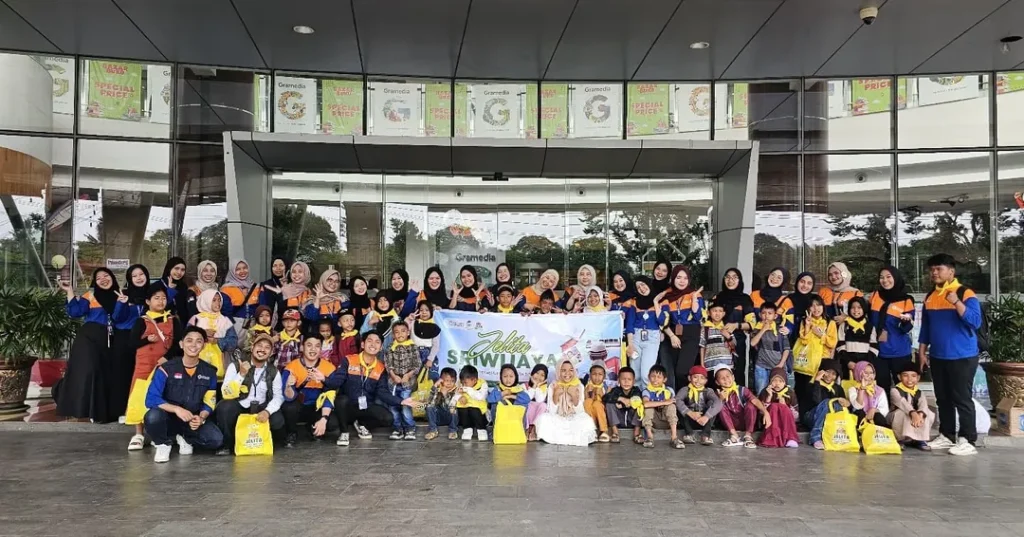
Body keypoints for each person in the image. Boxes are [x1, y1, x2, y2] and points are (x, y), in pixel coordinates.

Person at [143, 326, 223, 463]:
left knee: (216, 440)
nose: (193, 345)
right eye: (189, 340)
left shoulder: (209, 372)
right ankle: (163, 444)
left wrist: (201, 417)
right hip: (168, 418)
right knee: (152, 416)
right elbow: (151, 399)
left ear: (203, 346)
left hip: (191, 419)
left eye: (198, 341)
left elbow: (209, 401)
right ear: (181, 344)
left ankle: (185, 437)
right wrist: (176, 409)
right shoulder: (166, 368)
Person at [323, 331, 418, 446]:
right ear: (362, 344)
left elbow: (382, 392)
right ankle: (344, 433)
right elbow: (336, 382)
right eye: (370, 341)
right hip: (348, 407)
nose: (373, 344)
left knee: (388, 418)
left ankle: (361, 424)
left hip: (365, 406)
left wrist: (401, 401)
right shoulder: (348, 360)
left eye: (377, 342)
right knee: (341, 401)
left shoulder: (380, 367)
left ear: (381, 347)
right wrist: (323, 379)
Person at [57, 268, 121, 423]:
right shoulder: (90, 295)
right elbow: (75, 312)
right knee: (91, 371)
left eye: (106, 275)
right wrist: (69, 291)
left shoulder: (120, 295)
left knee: (107, 373)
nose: (103, 279)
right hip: (89, 337)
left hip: (111, 338)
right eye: (99, 278)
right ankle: (90, 410)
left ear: (112, 277)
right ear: (95, 282)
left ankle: (104, 411)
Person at [126, 284, 182, 451]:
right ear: (148, 301)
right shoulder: (141, 321)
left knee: (167, 395)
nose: (161, 301)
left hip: (167, 364)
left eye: (164, 298)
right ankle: (138, 433)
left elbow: (179, 344)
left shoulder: (174, 320)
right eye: (156, 298)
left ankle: (163, 433)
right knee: (139, 396)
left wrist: (166, 357)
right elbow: (131, 343)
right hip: (145, 365)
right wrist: (146, 341)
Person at [215, 332, 285, 455]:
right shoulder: (236, 366)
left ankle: (265, 441)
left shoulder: (273, 371)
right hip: (241, 406)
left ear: (271, 353)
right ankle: (227, 444)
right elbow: (226, 393)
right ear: (252, 347)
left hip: (262, 407)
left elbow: (278, 396)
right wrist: (241, 375)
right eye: (260, 345)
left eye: (267, 347)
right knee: (224, 407)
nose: (262, 349)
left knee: (278, 421)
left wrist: (267, 411)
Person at [280, 334, 338, 447]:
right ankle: (291, 432)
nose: (313, 349)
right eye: (309, 345)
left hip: (316, 407)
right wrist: (288, 385)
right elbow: (288, 397)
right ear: (302, 347)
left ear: (321, 349)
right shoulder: (291, 367)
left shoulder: (329, 368)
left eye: (317, 346)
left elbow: (330, 394)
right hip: (299, 407)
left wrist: (324, 418)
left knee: (332, 423)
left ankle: (312, 427)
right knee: (289, 407)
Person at [109, 264, 150, 420]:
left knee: (142, 376)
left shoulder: (152, 294)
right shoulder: (123, 294)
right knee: (123, 375)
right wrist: (122, 303)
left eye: (141, 274)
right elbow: (117, 318)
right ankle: (123, 410)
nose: (139, 278)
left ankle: (141, 409)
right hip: (124, 338)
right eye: (134, 276)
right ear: (129, 279)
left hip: (145, 339)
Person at [870, 265, 916, 391]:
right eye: (881, 277)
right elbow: (866, 318)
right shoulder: (875, 296)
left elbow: (907, 328)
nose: (885, 280)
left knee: (903, 387)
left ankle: (905, 411)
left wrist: (906, 321)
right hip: (878, 351)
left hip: (899, 351)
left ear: (895, 278)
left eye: (888, 277)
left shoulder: (906, 300)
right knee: (880, 387)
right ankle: (883, 410)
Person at [535, 359, 597, 447]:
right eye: (563, 370)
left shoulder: (579, 386)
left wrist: (574, 396)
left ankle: (565, 438)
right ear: (558, 372)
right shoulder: (553, 385)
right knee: (544, 418)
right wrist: (556, 394)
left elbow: (580, 411)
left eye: (571, 370)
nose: (567, 373)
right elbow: (551, 411)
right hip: (558, 418)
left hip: (573, 418)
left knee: (586, 420)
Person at [661, 266, 705, 390]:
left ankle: (685, 399)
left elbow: (699, 317)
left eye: (685, 278)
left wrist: (695, 301)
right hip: (674, 335)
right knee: (674, 371)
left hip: (692, 334)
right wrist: (672, 336)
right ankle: (679, 402)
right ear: (673, 278)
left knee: (683, 371)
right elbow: (663, 320)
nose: (682, 281)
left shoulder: (695, 294)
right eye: (679, 277)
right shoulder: (667, 295)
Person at [792, 294, 837, 414]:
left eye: (818, 305)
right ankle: (802, 417)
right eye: (812, 306)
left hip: (821, 362)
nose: (816, 308)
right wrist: (807, 325)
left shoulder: (829, 322)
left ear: (823, 306)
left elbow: (832, 343)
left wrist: (821, 335)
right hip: (805, 362)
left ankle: (816, 416)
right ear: (808, 309)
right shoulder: (804, 321)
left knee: (816, 390)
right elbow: (803, 340)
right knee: (801, 389)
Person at [712, 268, 753, 386]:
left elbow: (751, 324)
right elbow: (709, 318)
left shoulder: (745, 299)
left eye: (734, 277)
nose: (731, 280)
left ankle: (738, 402)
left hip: (737, 343)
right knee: (718, 374)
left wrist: (736, 325)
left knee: (737, 373)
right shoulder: (718, 298)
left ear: (739, 280)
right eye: (728, 277)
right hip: (718, 342)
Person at [625, 276, 668, 389]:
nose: (642, 288)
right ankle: (637, 400)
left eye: (643, 284)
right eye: (638, 287)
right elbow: (629, 324)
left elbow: (662, 321)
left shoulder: (662, 301)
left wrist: (655, 302)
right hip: (635, 338)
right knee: (636, 374)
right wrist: (630, 345)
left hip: (652, 338)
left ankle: (647, 398)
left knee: (646, 374)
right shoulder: (634, 302)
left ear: (649, 284)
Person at [187, 289, 238, 380]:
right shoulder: (195, 319)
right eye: (214, 300)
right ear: (206, 301)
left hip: (220, 365)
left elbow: (233, 342)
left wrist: (217, 341)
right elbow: (186, 338)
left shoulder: (225, 321)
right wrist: (202, 333)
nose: (217, 303)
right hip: (195, 363)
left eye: (219, 300)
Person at [715, 368, 769, 448]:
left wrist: (765, 412)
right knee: (720, 406)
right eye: (722, 378)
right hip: (730, 425)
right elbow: (713, 410)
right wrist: (720, 399)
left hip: (746, 422)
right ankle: (734, 436)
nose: (726, 379)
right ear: (717, 382)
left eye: (728, 376)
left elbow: (755, 400)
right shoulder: (718, 393)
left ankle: (748, 436)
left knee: (751, 405)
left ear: (733, 377)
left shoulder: (742, 390)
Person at [384, 322, 421, 440]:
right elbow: (388, 364)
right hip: (393, 383)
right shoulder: (390, 347)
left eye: (403, 331)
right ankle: (397, 429)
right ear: (393, 335)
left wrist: (408, 375)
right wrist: (394, 375)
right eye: (396, 332)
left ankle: (410, 428)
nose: (400, 334)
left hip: (407, 383)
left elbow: (417, 364)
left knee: (406, 406)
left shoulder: (413, 346)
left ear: (408, 332)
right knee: (393, 406)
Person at [889, 362, 935, 450]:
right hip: (896, 417)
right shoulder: (895, 390)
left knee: (927, 413)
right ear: (899, 377)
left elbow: (923, 404)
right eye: (905, 375)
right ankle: (901, 439)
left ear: (918, 378)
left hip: (915, 417)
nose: (909, 379)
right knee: (902, 413)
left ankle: (919, 439)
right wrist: (913, 414)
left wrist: (920, 415)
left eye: (913, 376)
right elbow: (903, 403)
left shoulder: (919, 392)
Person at [806, 359, 850, 449]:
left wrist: (846, 402)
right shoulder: (812, 384)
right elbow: (817, 401)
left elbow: (845, 407)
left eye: (834, 374)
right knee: (827, 402)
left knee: (837, 404)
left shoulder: (838, 388)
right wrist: (817, 381)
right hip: (812, 417)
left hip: (829, 420)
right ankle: (815, 437)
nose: (830, 376)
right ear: (821, 371)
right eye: (827, 372)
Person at [748, 304, 791, 395]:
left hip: (777, 366)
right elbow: (752, 343)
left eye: (770, 313)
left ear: (775, 315)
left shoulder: (780, 330)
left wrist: (781, 364)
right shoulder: (757, 328)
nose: (766, 316)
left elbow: (786, 349)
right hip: (761, 366)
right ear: (760, 315)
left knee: (779, 393)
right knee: (761, 392)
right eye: (763, 313)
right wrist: (763, 329)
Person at [675, 365, 722, 446]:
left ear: (706, 381)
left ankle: (705, 435)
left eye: (702, 378)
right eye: (695, 377)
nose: (698, 380)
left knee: (712, 403)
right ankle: (689, 434)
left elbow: (718, 402)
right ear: (690, 378)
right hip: (689, 420)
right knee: (679, 407)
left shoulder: (708, 391)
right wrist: (689, 412)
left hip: (704, 421)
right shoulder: (685, 389)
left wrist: (706, 416)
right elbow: (677, 400)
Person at [835, 296, 878, 380]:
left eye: (859, 307)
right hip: (847, 362)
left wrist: (866, 364)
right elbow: (840, 345)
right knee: (847, 387)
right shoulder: (844, 325)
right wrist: (848, 362)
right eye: (853, 307)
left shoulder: (870, 326)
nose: (856, 310)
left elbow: (874, 347)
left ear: (864, 309)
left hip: (865, 363)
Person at [639, 364, 681, 449]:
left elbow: (671, 402)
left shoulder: (669, 390)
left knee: (671, 406)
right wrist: (664, 402)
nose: (655, 379)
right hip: (653, 422)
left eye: (659, 377)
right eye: (653, 376)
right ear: (648, 377)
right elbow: (646, 404)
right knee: (648, 408)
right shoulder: (646, 391)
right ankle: (650, 438)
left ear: (664, 379)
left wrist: (666, 403)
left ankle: (674, 437)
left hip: (667, 421)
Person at [757, 367, 799, 448]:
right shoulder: (765, 391)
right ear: (770, 382)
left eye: (780, 381)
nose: (777, 383)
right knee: (774, 406)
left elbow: (796, 416)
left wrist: (785, 407)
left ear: (785, 383)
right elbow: (761, 413)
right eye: (774, 380)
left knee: (782, 407)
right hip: (769, 423)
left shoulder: (790, 393)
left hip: (786, 423)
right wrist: (769, 397)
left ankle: (790, 438)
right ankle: (771, 437)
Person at [603, 367, 643, 443]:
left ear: (633, 381)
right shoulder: (616, 390)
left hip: (631, 420)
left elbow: (638, 399)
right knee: (609, 404)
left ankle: (637, 434)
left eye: (629, 379)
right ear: (618, 380)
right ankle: (615, 432)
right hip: (619, 419)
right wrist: (620, 398)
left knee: (640, 405)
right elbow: (605, 397)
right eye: (623, 379)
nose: (626, 382)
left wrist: (624, 405)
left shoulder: (636, 390)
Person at [699, 301, 735, 385]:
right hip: (710, 365)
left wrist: (728, 337)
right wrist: (702, 364)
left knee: (727, 386)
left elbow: (734, 346)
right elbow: (702, 346)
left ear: (724, 313)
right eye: (714, 311)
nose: (717, 313)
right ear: (708, 313)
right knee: (712, 388)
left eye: (720, 311)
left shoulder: (727, 327)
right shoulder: (705, 329)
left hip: (726, 364)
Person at [848, 361, 889, 432]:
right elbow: (857, 406)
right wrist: (862, 389)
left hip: (874, 417)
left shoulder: (879, 390)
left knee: (879, 417)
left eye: (871, 373)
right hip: (860, 418)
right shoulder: (853, 389)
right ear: (858, 373)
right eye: (865, 373)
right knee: (860, 413)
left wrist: (873, 410)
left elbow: (884, 409)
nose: (869, 376)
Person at [454, 365, 491, 441]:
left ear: (474, 380)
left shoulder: (483, 385)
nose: (463, 385)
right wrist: (459, 397)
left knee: (473, 409)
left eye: (465, 383)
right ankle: (467, 429)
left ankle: (482, 430)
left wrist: (468, 390)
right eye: (462, 382)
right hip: (467, 418)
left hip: (481, 416)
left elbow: (480, 397)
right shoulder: (460, 384)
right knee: (462, 409)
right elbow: (455, 396)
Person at [424, 367, 460, 440]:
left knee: (454, 409)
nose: (449, 383)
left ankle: (453, 430)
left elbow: (453, 405)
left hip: (450, 418)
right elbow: (430, 403)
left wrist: (445, 395)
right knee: (429, 407)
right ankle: (433, 431)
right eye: (446, 380)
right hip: (438, 418)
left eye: (452, 381)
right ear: (441, 380)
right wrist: (435, 387)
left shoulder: (457, 390)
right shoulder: (437, 389)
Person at [221, 259, 260, 323]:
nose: (242, 271)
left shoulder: (256, 287)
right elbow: (225, 312)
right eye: (238, 269)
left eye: (245, 268)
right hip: (235, 326)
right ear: (232, 271)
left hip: (254, 326)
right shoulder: (226, 289)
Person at [409, 301, 441, 380]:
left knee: (429, 379)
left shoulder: (435, 327)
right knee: (413, 379)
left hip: (428, 354)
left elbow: (436, 345)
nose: (424, 312)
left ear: (431, 311)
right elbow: (403, 330)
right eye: (421, 310)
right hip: (414, 354)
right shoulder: (413, 323)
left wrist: (430, 359)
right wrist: (409, 319)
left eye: (427, 310)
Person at [583, 362, 611, 442]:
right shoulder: (587, 386)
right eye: (594, 374)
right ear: (590, 375)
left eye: (600, 374)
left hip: (603, 412)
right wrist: (587, 392)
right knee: (587, 402)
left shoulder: (607, 388)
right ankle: (593, 430)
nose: (597, 377)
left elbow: (608, 403)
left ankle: (604, 430)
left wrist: (602, 395)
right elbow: (585, 404)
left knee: (597, 404)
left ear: (604, 376)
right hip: (592, 413)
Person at [258, 256, 289, 324]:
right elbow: (260, 306)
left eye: (281, 265)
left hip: (287, 324)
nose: (278, 268)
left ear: (286, 267)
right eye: (275, 266)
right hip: (267, 324)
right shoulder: (265, 285)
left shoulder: (291, 286)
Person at [525, 364, 549, 441]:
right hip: (527, 416)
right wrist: (533, 386)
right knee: (526, 404)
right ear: (532, 373)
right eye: (537, 373)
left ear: (545, 378)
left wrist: (537, 386)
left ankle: (534, 430)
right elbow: (527, 398)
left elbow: (539, 400)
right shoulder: (524, 386)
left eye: (542, 375)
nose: (539, 377)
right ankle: (526, 429)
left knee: (543, 405)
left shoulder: (544, 388)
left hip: (537, 415)